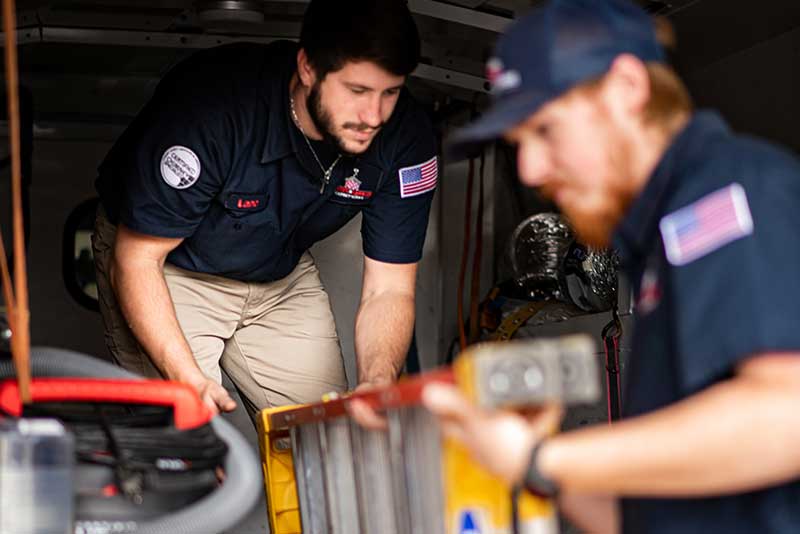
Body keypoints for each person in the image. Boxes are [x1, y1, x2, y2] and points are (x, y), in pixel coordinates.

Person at [423, 1, 800, 533]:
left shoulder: (727, 194)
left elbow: (788, 415)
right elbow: (644, 517)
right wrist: (517, 459)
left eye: (546, 130)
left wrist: (543, 459)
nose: (529, 169)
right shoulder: (657, 242)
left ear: (627, 88)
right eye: (518, 144)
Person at [92, 0, 438, 420]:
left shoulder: (407, 136)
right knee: (188, 445)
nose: (373, 116)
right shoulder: (215, 109)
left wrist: (378, 379)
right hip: (168, 265)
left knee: (329, 435)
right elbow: (136, 260)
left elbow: (390, 288)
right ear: (308, 68)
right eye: (357, 91)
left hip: (278, 277)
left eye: (391, 93)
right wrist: (189, 381)